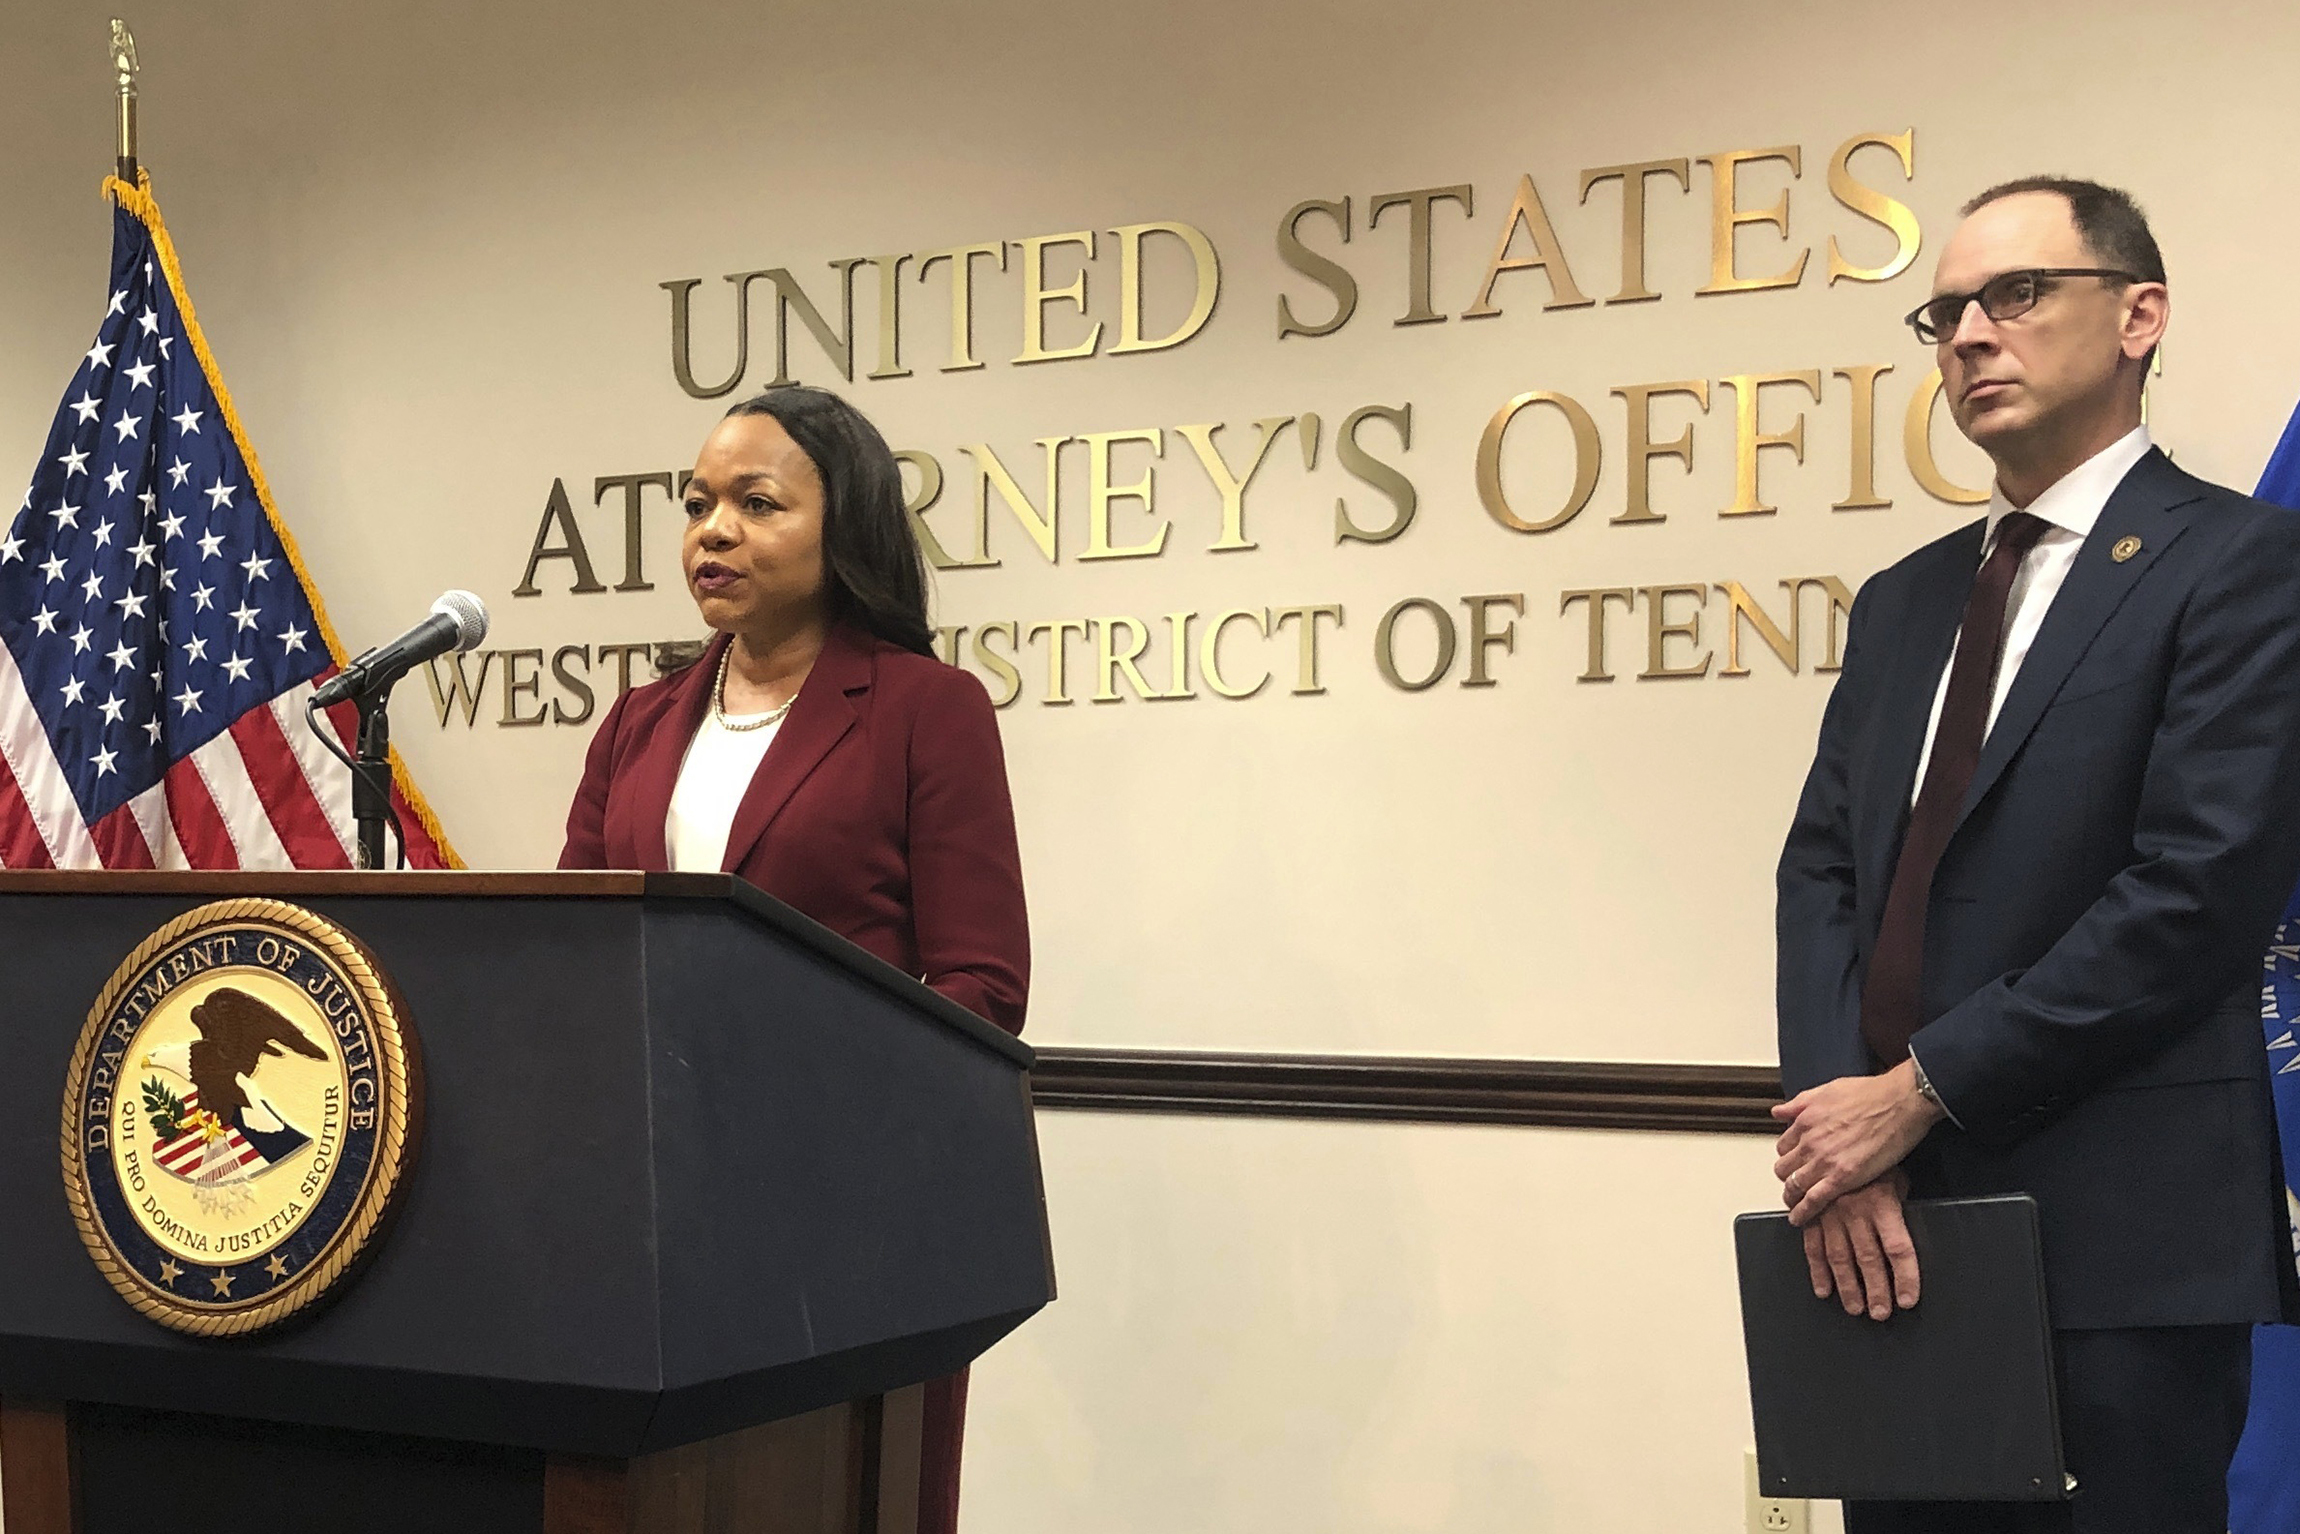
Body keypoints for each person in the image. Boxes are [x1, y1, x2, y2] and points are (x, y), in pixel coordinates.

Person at [1771, 177, 2300, 1531]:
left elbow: (2196, 892)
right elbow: (1823, 875)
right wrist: (1847, 1129)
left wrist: (1923, 1089)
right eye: (1946, 310)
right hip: (1890, 1231)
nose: (1968, 337)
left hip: (2125, 1242)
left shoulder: (2245, 564)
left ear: (2139, 315)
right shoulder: (1904, 602)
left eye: (2014, 295)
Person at [560, 384, 1028, 1534]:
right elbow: (571, 953)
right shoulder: (636, 721)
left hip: (847, 1215)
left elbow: (981, 984)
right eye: (697, 504)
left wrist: (817, 1111)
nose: (711, 531)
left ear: (844, 526)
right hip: (650, 1212)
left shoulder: (928, 707)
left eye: (754, 503)